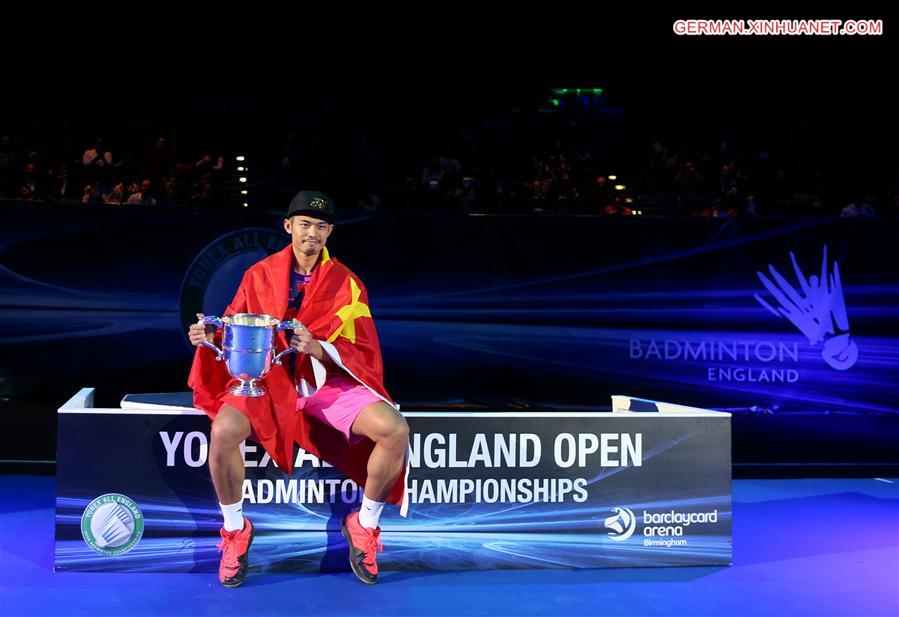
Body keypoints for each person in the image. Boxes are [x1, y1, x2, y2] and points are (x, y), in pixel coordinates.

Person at [187, 190, 410, 587]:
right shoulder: (259, 274)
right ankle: (236, 530)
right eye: (304, 224)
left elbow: (362, 348)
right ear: (288, 226)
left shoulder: (347, 283)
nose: (312, 232)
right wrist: (210, 331)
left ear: (330, 233)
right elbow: (238, 327)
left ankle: (364, 525)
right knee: (222, 432)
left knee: (394, 430)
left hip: (322, 380)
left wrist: (319, 348)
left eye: (321, 226)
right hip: (267, 380)